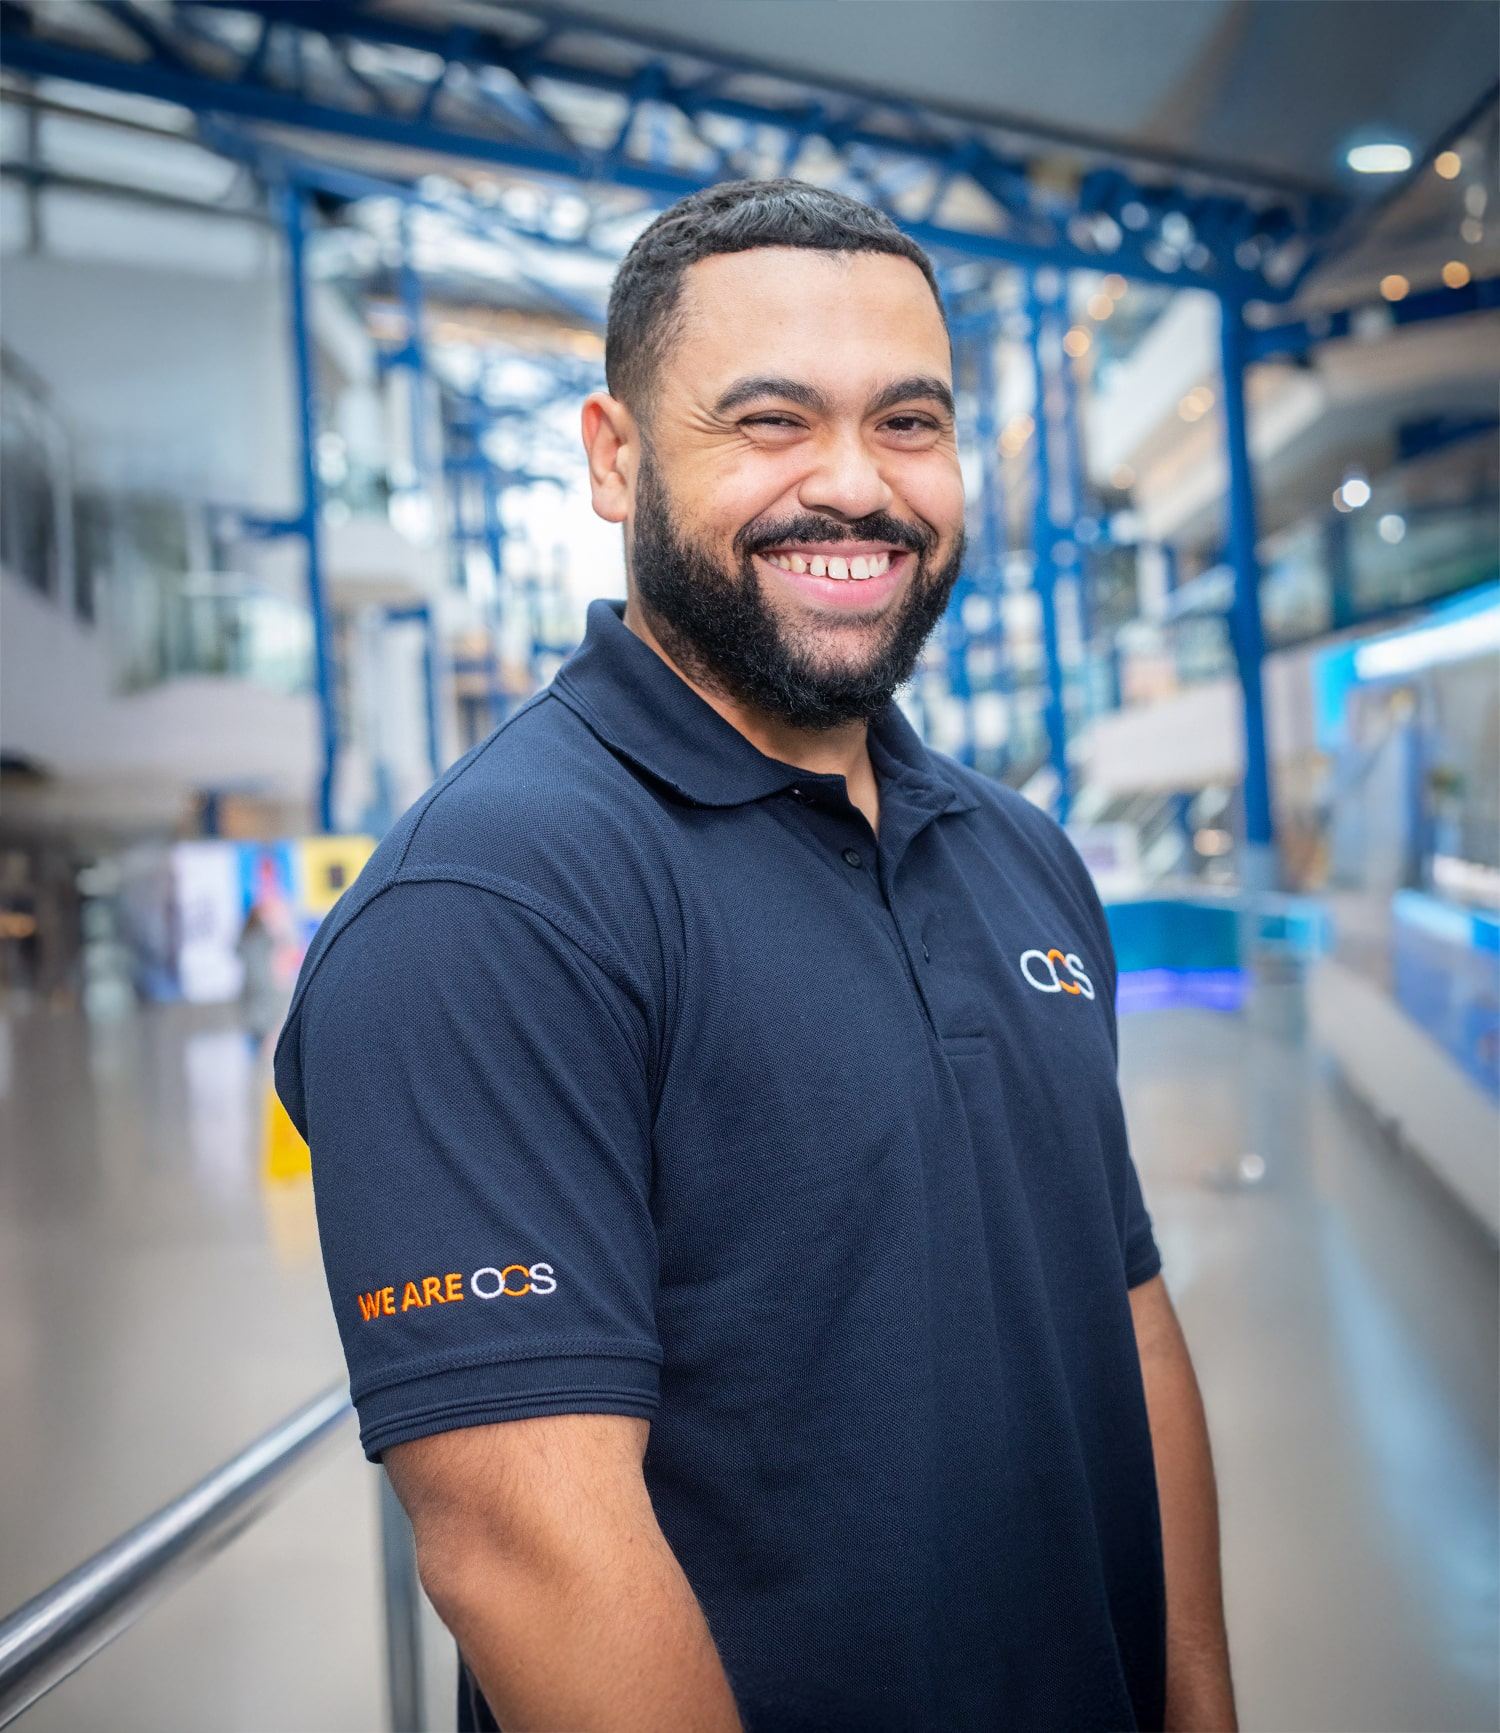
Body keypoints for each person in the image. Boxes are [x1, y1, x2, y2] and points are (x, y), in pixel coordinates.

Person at [274, 178, 1236, 1733]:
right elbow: (529, 1550)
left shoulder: (1020, 857)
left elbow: (1122, 1316)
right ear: (614, 455)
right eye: (771, 420)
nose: (854, 486)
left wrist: (1199, 1707)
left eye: (910, 423)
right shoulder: (489, 905)